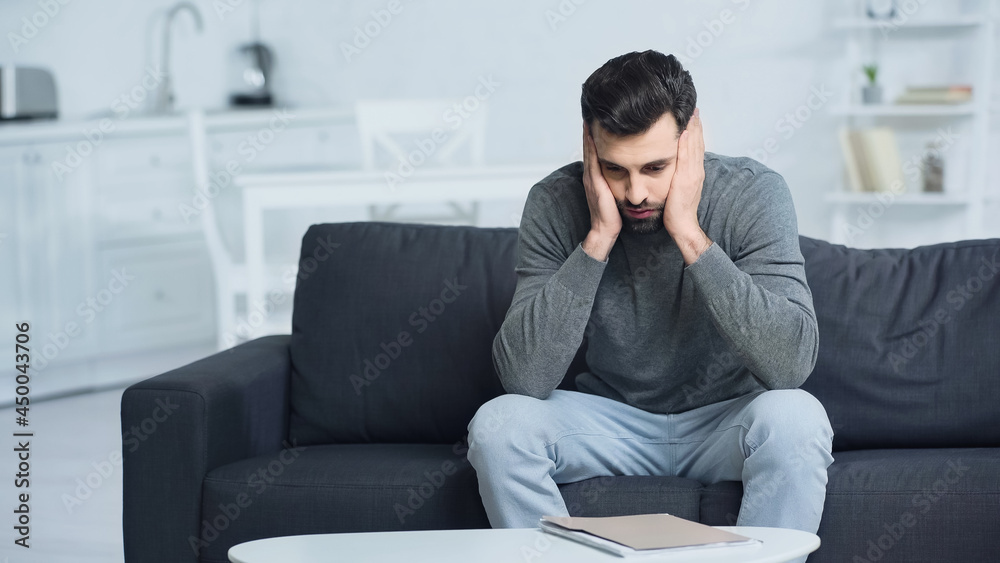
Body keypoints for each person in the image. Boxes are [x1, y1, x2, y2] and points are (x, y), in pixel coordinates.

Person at [466, 49, 834, 556]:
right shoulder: (555, 201)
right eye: (615, 169)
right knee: (498, 426)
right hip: (612, 424)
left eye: (656, 167)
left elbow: (790, 365)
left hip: (724, 423)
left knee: (798, 417)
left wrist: (688, 231)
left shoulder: (755, 193)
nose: (635, 192)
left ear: (692, 139)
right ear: (590, 145)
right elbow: (525, 379)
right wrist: (597, 236)